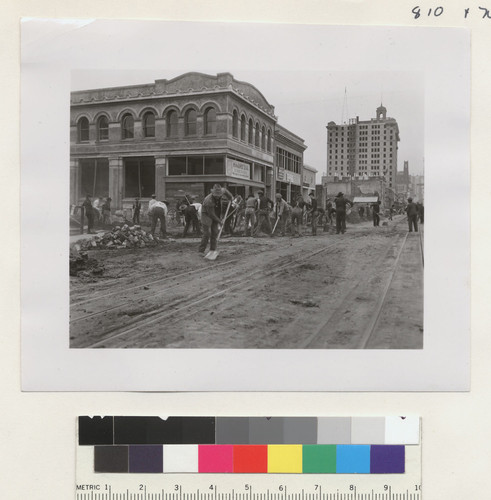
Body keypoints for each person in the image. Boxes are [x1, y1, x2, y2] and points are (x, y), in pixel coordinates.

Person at [199, 184, 233, 254]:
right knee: (207, 233)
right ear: (213, 194)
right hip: (206, 215)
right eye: (216, 196)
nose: (218, 197)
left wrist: (230, 198)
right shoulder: (208, 201)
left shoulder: (222, 191)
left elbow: (226, 191)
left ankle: (212, 250)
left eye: (219, 195)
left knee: (214, 233)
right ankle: (201, 250)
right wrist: (220, 221)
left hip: (216, 213)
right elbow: (211, 214)